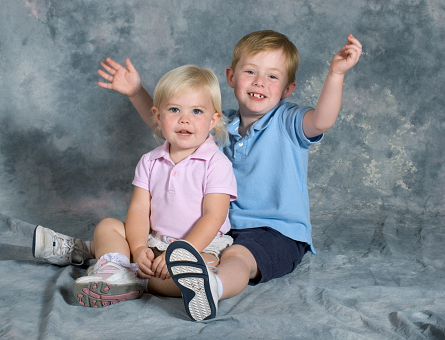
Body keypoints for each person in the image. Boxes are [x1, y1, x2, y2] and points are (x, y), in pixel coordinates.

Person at [95, 30, 362, 321]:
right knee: (141, 240)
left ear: (288, 89)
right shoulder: (221, 125)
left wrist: (336, 74)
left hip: (275, 231)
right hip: (224, 231)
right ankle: (108, 261)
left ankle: (213, 287)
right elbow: (172, 125)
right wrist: (136, 92)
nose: (260, 82)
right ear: (231, 77)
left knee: (238, 258)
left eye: (272, 76)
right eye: (250, 72)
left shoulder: (288, 121)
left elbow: (322, 120)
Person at [33, 65, 237, 314]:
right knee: (108, 226)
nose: (185, 119)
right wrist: (140, 247)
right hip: (156, 239)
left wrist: (181, 254)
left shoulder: (216, 163)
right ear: (158, 116)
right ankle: (116, 270)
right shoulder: (150, 161)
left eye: (197, 111)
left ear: (213, 120)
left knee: (192, 270)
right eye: (174, 110)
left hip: (200, 246)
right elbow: (140, 210)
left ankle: (163, 284)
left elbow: (213, 217)